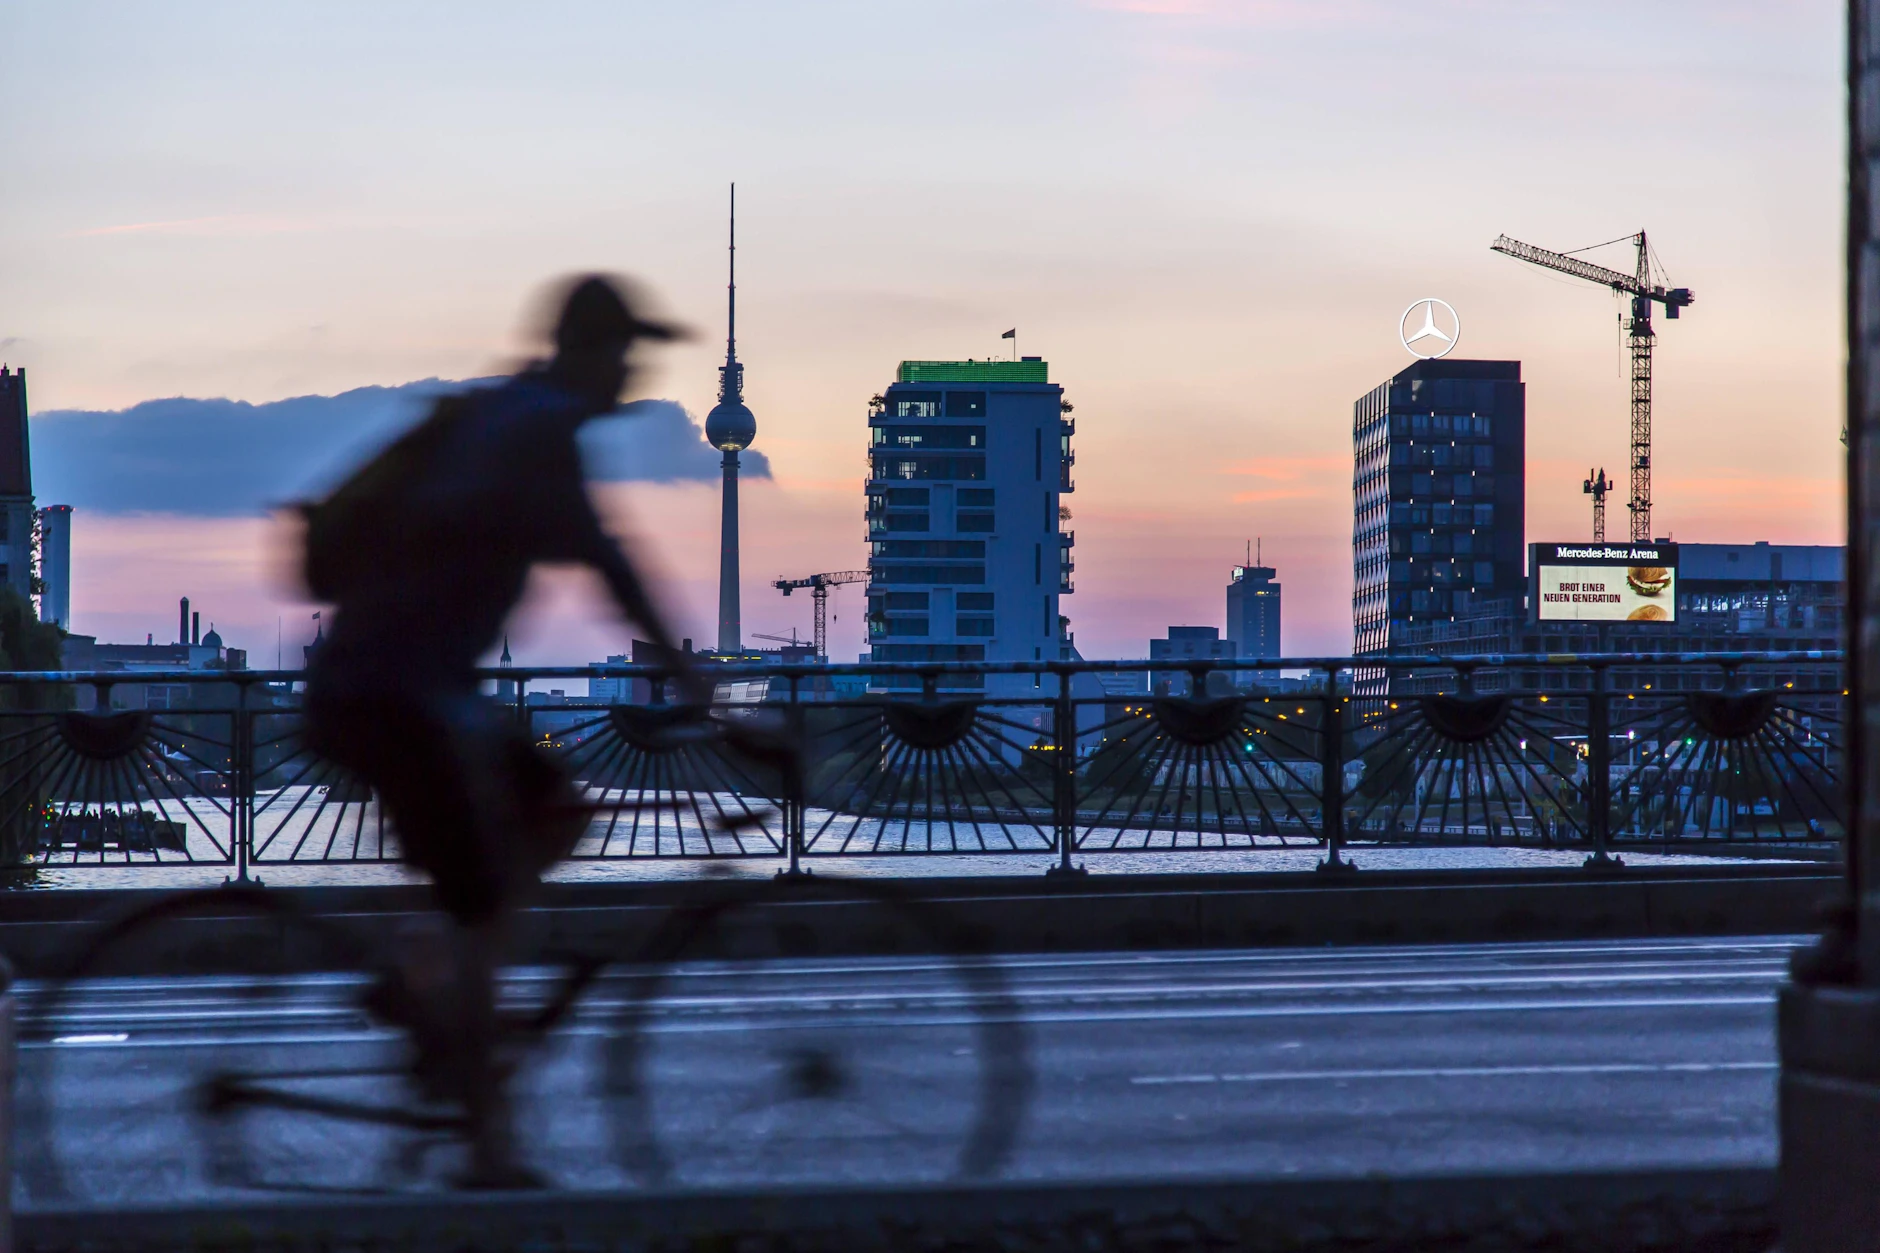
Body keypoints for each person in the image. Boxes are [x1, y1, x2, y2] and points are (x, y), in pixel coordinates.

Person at [302, 274, 698, 1187]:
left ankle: (432, 979)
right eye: (625, 351)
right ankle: (488, 1146)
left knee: (552, 807)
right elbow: (612, 567)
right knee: (480, 899)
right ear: (589, 351)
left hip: (409, 685)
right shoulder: (535, 434)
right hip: (388, 691)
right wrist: (703, 692)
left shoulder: (509, 415)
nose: (634, 370)